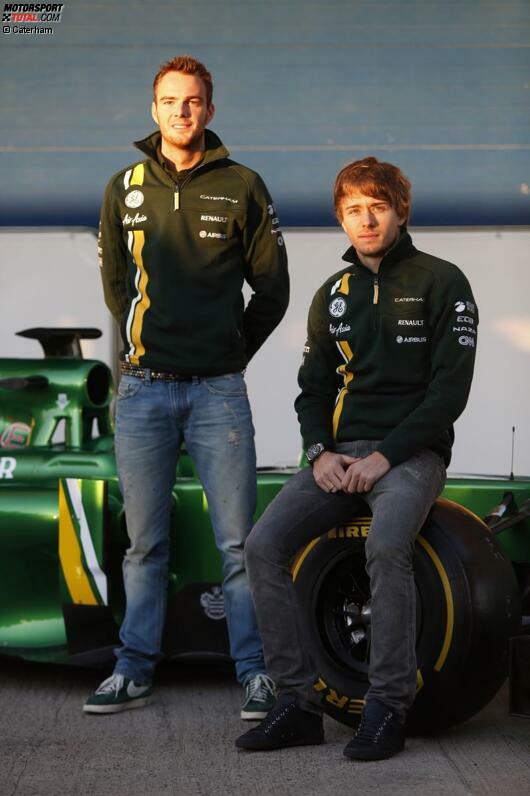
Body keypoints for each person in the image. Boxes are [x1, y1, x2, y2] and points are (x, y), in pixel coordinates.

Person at [236, 157, 477, 759]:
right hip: (337, 456)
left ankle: (387, 707)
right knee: (263, 546)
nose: (365, 220)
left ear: (400, 211)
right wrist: (318, 453)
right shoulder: (332, 293)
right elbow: (311, 390)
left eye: (377, 207)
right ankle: (296, 705)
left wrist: (385, 457)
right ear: (340, 218)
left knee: (386, 545)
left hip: (412, 455)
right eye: (352, 210)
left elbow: (449, 394)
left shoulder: (443, 281)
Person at [84, 55, 289, 717]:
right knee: (145, 543)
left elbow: (274, 289)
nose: (182, 111)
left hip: (217, 394)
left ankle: (255, 673)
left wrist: (230, 352)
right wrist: (152, 346)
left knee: (240, 543)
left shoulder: (244, 186)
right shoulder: (123, 186)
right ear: (154, 109)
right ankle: (134, 668)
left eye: (194, 100)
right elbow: (118, 288)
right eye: (170, 100)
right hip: (143, 392)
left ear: (210, 108)